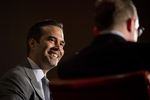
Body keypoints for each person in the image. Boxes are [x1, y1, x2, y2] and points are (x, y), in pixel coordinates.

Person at [58, 0, 150, 79]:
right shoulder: (145, 55)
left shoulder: (67, 68)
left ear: (96, 29)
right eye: (138, 30)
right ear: (131, 24)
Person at [0, 19, 65, 100]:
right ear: (32, 43)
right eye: (51, 40)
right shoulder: (15, 79)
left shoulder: (49, 85)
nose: (58, 48)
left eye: (61, 44)